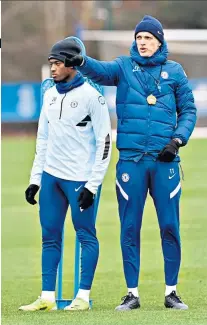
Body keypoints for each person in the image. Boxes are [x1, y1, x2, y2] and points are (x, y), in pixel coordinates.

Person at [60, 15, 197, 311]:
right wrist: (81, 61)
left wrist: (176, 141)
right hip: (131, 163)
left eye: (148, 38)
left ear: (159, 41)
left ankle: (171, 292)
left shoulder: (174, 71)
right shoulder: (123, 67)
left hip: (165, 163)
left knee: (170, 226)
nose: (142, 42)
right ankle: (131, 294)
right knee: (129, 228)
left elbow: (188, 110)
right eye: (139, 38)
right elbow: (99, 71)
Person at [19, 37, 112, 312]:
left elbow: (105, 142)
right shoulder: (48, 94)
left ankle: (82, 297)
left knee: (86, 235)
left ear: (72, 64)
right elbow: (42, 139)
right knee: (49, 235)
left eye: (58, 63)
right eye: (51, 63)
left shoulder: (92, 97)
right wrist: (36, 180)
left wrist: (92, 184)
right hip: (51, 177)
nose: (53, 69)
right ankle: (47, 297)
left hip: (80, 179)